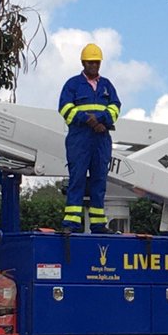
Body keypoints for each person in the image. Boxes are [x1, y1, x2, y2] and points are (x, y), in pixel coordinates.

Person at [57, 43, 121, 233]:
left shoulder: (107, 85)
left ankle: (98, 224)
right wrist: (87, 120)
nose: (94, 66)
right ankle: (71, 224)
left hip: (101, 139)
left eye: (97, 62)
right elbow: (65, 108)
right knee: (76, 179)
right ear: (84, 63)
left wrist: (102, 119)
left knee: (99, 181)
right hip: (80, 139)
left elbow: (116, 106)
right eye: (91, 62)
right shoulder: (73, 84)